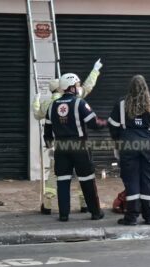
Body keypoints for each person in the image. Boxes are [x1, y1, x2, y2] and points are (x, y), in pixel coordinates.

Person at [32, 59, 103, 215]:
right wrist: (95, 70)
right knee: (84, 177)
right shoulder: (78, 100)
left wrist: (36, 101)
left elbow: (40, 118)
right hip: (79, 145)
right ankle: (88, 207)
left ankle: (57, 209)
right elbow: (87, 88)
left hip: (60, 146)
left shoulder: (49, 104)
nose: (78, 87)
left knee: (59, 178)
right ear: (68, 86)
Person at [108, 75, 150, 225]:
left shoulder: (121, 104)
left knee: (131, 180)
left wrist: (117, 142)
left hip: (128, 145)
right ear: (145, 88)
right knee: (148, 181)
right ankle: (149, 216)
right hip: (148, 146)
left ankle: (132, 216)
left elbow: (112, 126)